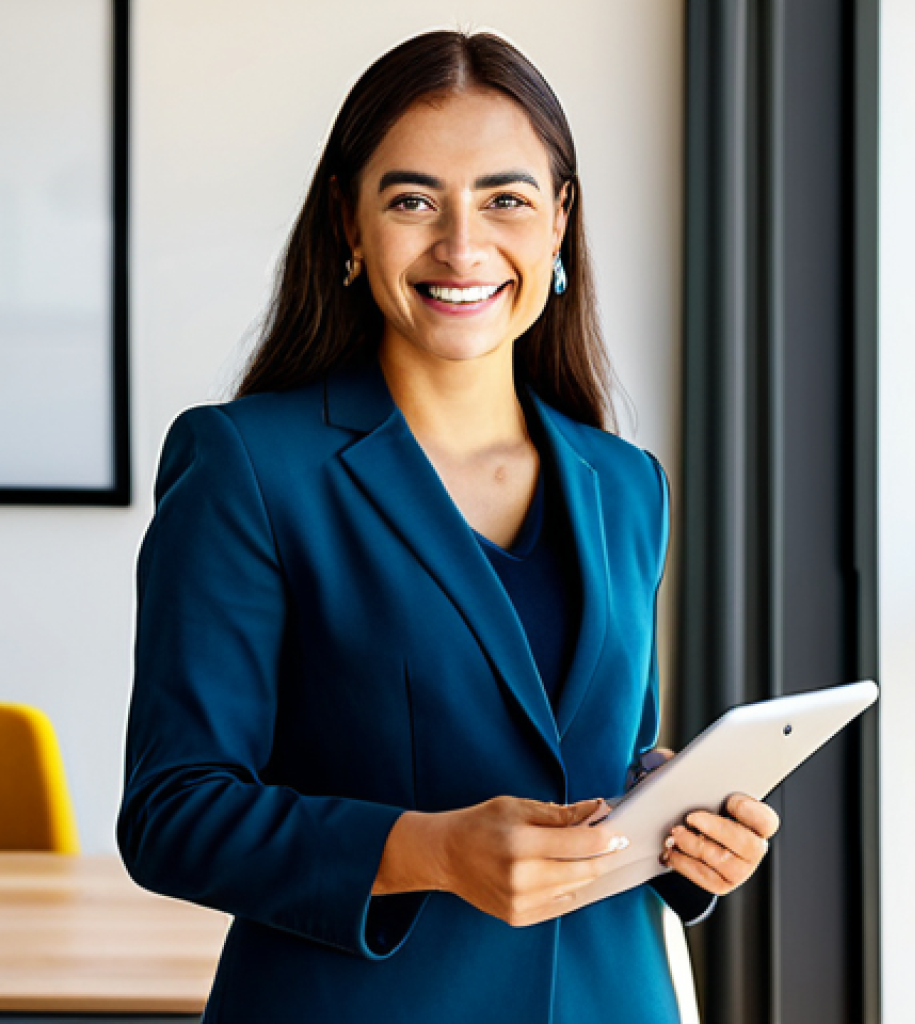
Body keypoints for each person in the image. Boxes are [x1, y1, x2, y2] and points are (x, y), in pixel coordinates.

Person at [117, 29, 779, 1024]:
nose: (462, 246)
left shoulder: (624, 481)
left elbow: (607, 756)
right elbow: (174, 810)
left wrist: (682, 825)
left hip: (611, 997)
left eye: (505, 199)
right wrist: (425, 850)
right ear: (348, 221)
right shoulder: (247, 466)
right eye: (412, 199)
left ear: (559, 221)